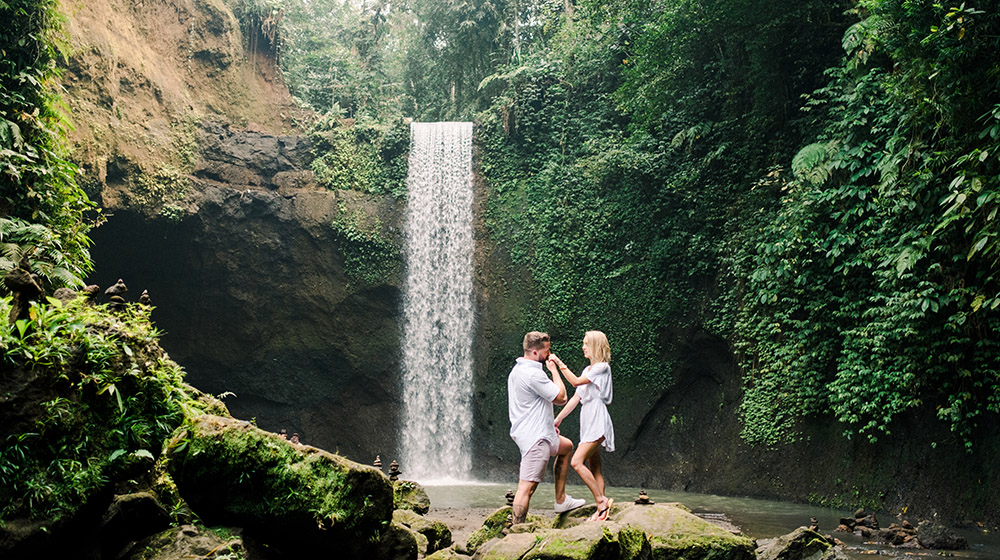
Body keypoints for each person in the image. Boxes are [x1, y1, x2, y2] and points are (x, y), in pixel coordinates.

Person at [508, 331, 586, 523]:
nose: (549, 355)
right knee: (527, 487)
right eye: (547, 351)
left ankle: (561, 500)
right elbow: (561, 398)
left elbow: (532, 404)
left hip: (543, 433)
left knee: (566, 447)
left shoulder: (517, 370)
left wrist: (549, 426)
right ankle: (517, 528)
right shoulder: (534, 374)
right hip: (536, 439)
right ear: (535, 353)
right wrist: (554, 370)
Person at [550, 330, 615, 521]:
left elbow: (576, 382)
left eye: (586, 343)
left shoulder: (602, 367)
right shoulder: (588, 370)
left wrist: (560, 365)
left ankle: (602, 502)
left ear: (595, 345)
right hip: (587, 419)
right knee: (595, 466)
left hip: (597, 418)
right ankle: (600, 510)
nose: (583, 346)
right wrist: (558, 419)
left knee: (576, 461)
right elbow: (576, 398)